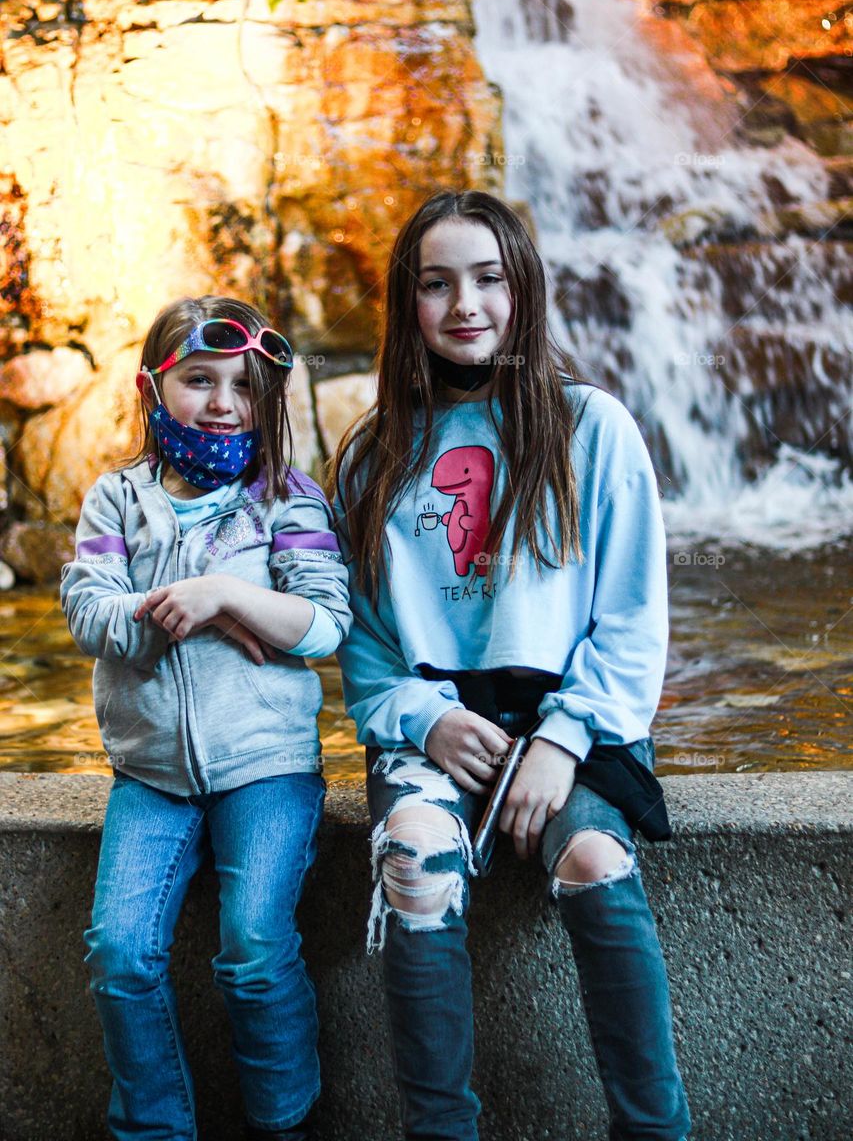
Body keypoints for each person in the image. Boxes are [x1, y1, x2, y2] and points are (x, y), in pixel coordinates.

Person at [328, 191, 692, 1140]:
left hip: (572, 721)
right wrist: (423, 720)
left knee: (593, 858)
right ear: (407, 305)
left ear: (522, 289)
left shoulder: (591, 427)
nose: (464, 305)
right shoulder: (371, 458)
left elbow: (629, 620)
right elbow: (363, 647)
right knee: (416, 864)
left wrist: (562, 742)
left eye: (487, 278)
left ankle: (654, 1129)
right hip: (438, 721)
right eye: (435, 284)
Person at [61, 296, 351, 1141]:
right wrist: (179, 611)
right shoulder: (116, 500)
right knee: (120, 955)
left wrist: (224, 593)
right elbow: (89, 615)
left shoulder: (287, 501)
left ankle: (284, 1124)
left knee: (255, 952)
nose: (223, 402)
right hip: (148, 777)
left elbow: (325, 624)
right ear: (154, 389)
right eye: (199, 380)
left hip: (266, 768)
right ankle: (154, 1129)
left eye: (244, 386)